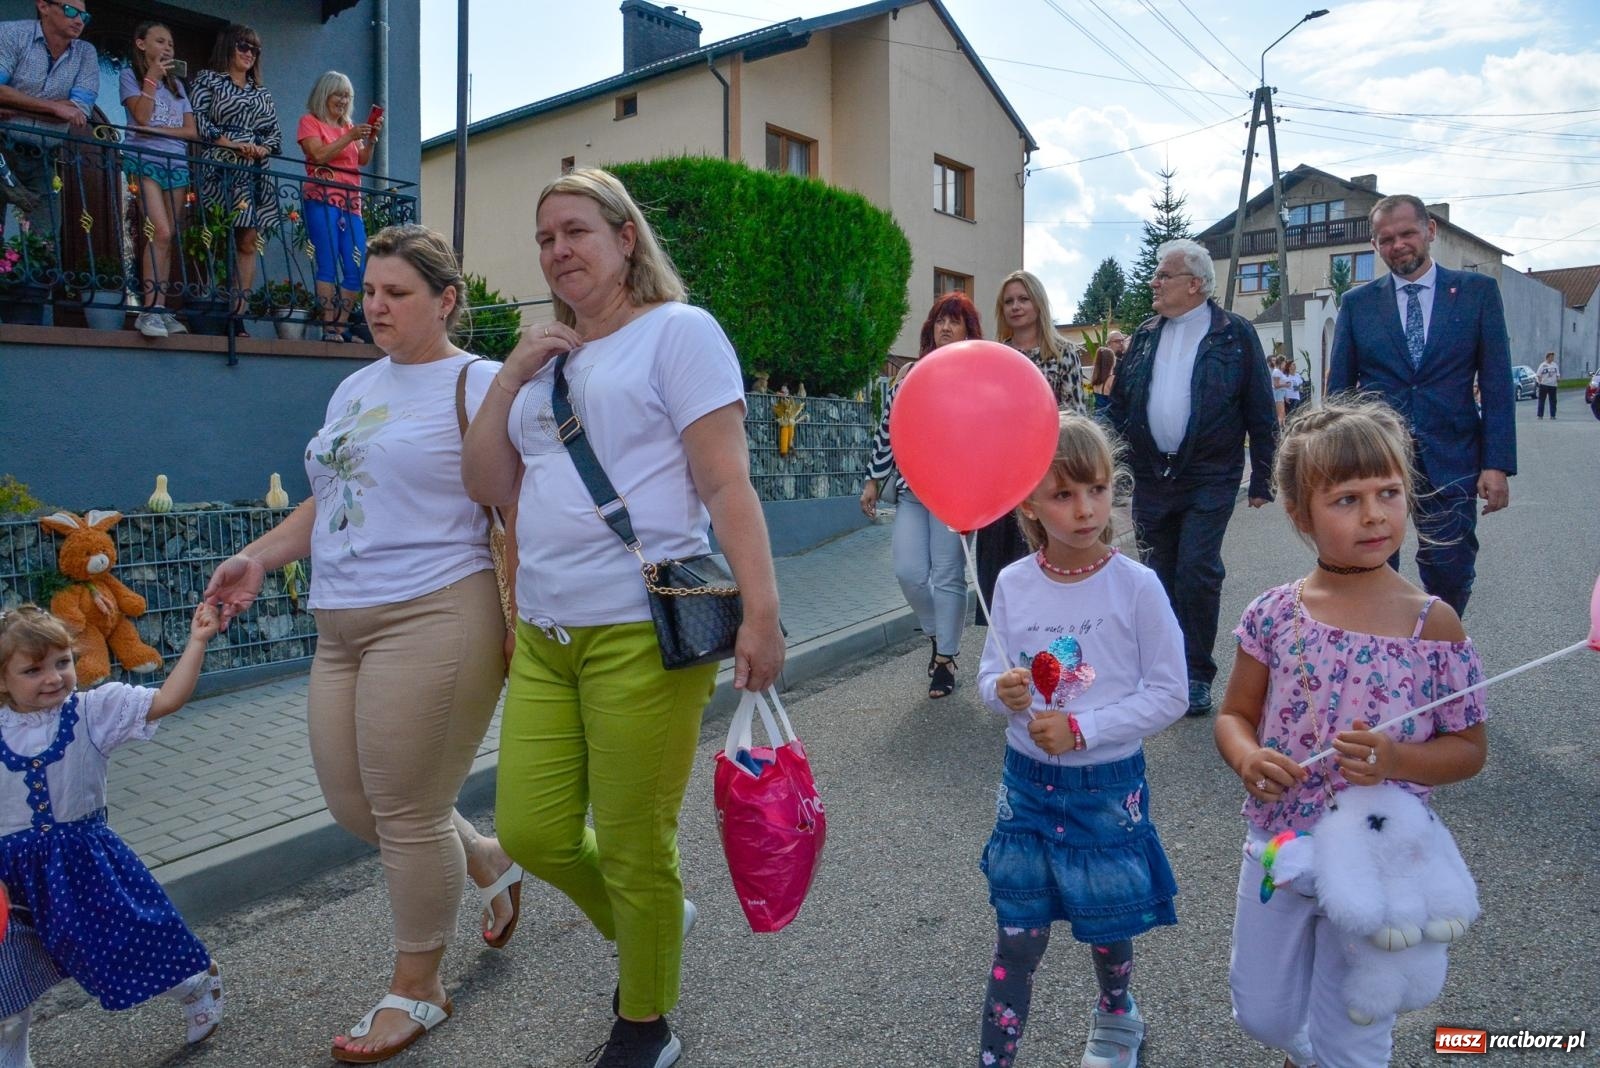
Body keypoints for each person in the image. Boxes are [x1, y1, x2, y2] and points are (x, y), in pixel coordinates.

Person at [461, 167, 784, 1068]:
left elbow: (726, 483)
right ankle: (652, 924)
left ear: (625, 239)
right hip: (546, 633)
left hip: (644, 631)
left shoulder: (679, 334)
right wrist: (508, 379)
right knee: (530, 829)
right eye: (544, 238)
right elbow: (489, 488)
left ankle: (647, 1022)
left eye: (575, 232)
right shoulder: (543, 369)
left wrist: (762, 614)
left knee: (640, 840)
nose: (557, 250)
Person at [204, 225, 522, 1064]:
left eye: (397, 294)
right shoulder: (352, 390)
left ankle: (419, 990)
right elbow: (333, 496)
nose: (374, 306)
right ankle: (485, 858)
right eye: (370, 291)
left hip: (437, 611)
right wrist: (259, 557)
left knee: (408, 812)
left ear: (447, 299)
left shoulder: (480, 382)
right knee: (357, 806)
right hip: (341, 622)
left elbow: (521, 498)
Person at [1213, 399, 1488, 1068]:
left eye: (1388, 492)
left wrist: (1398, 756)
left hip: (1379, 856)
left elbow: (1469, 750)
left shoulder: (1434, 625)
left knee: (1359, 1026)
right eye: (1346, 499)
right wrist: (1249, 758)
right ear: (1299, 514)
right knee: (1264, 1012)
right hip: (1280, 839)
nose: (1373, 514)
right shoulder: (1275, 614)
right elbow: (1234, 713)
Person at [976, 412, 1185, 1068]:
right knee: (1018, 937)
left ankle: (1117, 1013)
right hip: (1027, 789)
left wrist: (1083, 729)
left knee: (1108, 923)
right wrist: (1001, 691)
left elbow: (1170, 692)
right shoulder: (1012, 584)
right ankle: (995, 1055)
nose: (1084, 508)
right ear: (1032, 505)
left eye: (1094, 488)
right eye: (1063, 494)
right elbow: (989, 674)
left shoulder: (1137, 586)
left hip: (1105, 789)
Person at [0, 603, 226, 1061]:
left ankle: (194, 982)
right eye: (33, 669)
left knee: (123, 951)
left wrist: (197, 642)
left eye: (62, 662)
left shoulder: (92, 712)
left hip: (82, 869)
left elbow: (167, 700)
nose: (53, 677)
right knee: (7, 982)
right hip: (9, 882)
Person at [1104, 238, 1277, 718]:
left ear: (1196, 284)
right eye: (1157, 274)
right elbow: (1120, 407)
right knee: (1157, 575)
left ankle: (1196, 673)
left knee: (1197, 572)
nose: (1154, 282)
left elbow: (1261, 410)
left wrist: (1263, 476)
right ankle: (1163, 670)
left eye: (1164, 275)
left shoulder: (1235, 335)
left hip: (1210, 474)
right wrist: (1104, 465)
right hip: (1152, 475)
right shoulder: (1143, 334)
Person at [1327, 194, 1515, 618]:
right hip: (1377, 458)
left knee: (1449, 566)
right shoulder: (1357, 305)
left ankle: (1441, 652)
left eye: (1407, 233)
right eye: (1385, 239)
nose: (1397, 245)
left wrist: (1496, 464)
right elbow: (1340, 390)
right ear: (1375, 245)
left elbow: (1497, 383)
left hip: (1452, 455)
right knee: (1372, 566)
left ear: (1429, 230)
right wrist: (1335, 461)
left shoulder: (1476, 293)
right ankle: (1384, 656)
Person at [861, 291, 980, 699]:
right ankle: (936, 634)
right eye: (940, 320)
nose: (946, 327)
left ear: (968, 329)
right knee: (908, 572)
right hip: (913, 491)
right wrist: (873, 479)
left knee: (948, 575)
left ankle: (946, 659)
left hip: (956, 494)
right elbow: (888, 430)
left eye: (955, 320)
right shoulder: (909, 374)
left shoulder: (975, 373)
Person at [975, 270, 1087, 627]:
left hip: (1047, 473)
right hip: (1000, 477)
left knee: (1044, 554)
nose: (1016, 307)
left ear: (1038, 303)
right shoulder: (994, 357)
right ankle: (1005, 640)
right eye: (1008, 301)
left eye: (1023, 299)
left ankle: (1051, 628)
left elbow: (1076, 415)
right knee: (1000, 561)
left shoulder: (1064, 354)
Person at [189, 23, 281, 332]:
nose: (249, 54)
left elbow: (274, 135)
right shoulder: (209, 80)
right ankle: (207, 306)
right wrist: (227, 142)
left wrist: (260, 148)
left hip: (253, 172)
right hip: (220, 165)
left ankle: (237, 316)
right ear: (228, 46)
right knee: (215, 233)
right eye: (243, 46)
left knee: (248, 238)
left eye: (255, 49)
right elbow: (197, 118)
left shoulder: (261, 92)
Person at [121, 20, 195, 340]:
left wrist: (156, 130)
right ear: (141, 44)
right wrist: (151, 78)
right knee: (159, 230)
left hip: (176, 162)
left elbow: (191, 131)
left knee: (169, 236)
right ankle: (148, 311)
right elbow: (139, 116)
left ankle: (160, 309)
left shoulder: (178, 87)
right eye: (160, 41)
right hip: (145, 159)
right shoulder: (130, 76)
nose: (168, 48)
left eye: (171, 44)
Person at [0, 0, 98, 234]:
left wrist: (16, 105)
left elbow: (79, 109)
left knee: (45, 241)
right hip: (2, 148)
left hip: (44, 158)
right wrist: (55, 109)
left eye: (84, 17)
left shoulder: (86, 53)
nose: (78, 20)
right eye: (71, 11)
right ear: (43, 6)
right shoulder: (11, 33)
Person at [297, 70, 378, 342]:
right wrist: (351, 136)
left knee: (357, 266)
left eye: (347, 96)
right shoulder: (310, 122)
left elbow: (361, 160)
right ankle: (329, 325)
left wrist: (370, 141)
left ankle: (340, 325)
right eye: (339, 94)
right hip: (322, 199)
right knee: (328, 263)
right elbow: (318, 155)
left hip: (351, 203)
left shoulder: (348, 127)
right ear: (325, 95)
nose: (344, 101)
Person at [1090, 330, 1127, 413]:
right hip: (1111, 418)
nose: (1121, 344)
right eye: (1117, 341)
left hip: (1099, 417)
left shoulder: (1096, 375)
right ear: (1108, 344)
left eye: (1122, 340)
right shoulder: (1114, 375)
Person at [1534, 351, 1559, 419]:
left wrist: (1557, 380)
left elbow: (1557, 374)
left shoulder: (1555, 365)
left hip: (1553, 385)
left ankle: (1553, 415)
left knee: (1553, 401)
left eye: (1553, 357)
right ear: (1547, 357)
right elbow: (1538, 375)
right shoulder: (1542, 365)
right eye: (1551, 357)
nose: (1552, 358)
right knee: (1542, 400)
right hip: (1544, 385)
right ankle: (1540, 415)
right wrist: (1540, 382)